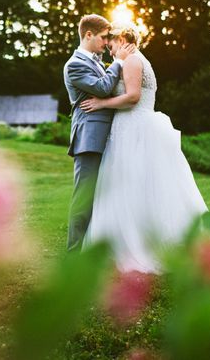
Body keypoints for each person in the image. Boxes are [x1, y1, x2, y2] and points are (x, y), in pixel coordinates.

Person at [80, 22, 208, 273]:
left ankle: (138, 243)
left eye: (112, 41)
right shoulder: (135, 60)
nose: (109, 47)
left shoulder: (133, 61)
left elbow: (133, 97)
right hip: (132, 126)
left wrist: (101, 104)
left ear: (124, 39)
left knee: (132, 184)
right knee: (135, 185)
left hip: (134, 127)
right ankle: (132, 236)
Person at [63, 14, 135, 251]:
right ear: (89, 35)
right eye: (104, 38)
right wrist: (120, 62)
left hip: (110, 136)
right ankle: (73, 256)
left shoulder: (96, 61)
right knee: (84, 198)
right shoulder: (74, 65)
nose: (106, 43)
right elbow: (103, 88)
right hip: (90, 139)